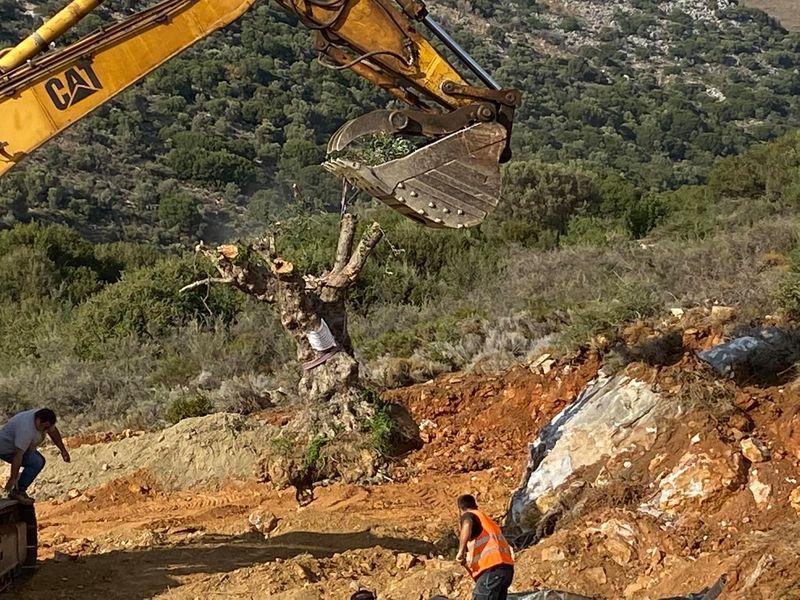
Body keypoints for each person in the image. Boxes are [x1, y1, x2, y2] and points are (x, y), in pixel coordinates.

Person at [0, 408, 71, 505]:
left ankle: (19, 489)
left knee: (37, 460)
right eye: (45, 427)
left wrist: (63, 450)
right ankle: (18, 491)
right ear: (38, 421)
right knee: (37, 462)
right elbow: (18, 455)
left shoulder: (43, 416)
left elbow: (53, 431)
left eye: (48, 427)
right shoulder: (26, 429)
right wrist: (13, 478)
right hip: (6, 450)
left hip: (23, 448)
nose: (46, 431)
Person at [456, 494, 515, 600]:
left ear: (461, 509)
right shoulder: (487, 522)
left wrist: (461, 551)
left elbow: (467, 524)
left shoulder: (469, 515)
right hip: (506, 571)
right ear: (476, 505)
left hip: (491, 569)